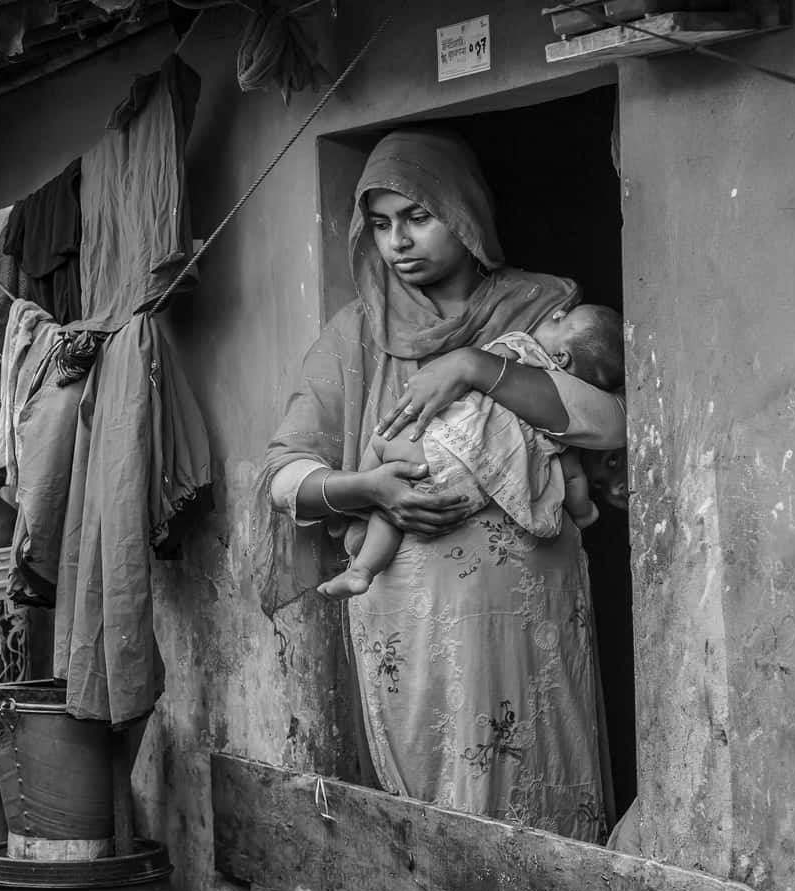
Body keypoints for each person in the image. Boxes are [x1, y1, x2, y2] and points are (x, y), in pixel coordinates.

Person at [256, 129, 627, 842]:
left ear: (466, 213)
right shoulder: (356, 336)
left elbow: (608, 425)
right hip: (414, 624)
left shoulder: (542, 316)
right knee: (442, 814)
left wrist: (472, 366)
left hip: (530, 619)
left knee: (544, 794)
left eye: (418, 217)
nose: (398, 241)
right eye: (381, 223)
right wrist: (368, 487)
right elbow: (283, 475)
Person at [319, 303, 624, 598]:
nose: (556, 312)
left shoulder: (520, 349)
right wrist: (584, 512)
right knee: (400, 505)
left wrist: (467, 364)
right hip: (476, 485)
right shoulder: (563, 424)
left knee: (382, 445)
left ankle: (358, 523)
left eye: (563, 320)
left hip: (443, 446)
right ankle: (363, 568)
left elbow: (470, 369)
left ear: (560, 356)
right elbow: (572, 477)